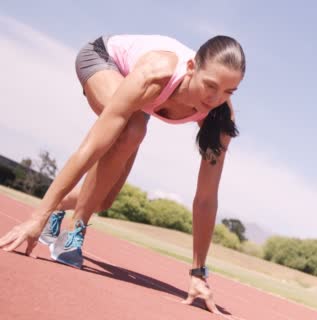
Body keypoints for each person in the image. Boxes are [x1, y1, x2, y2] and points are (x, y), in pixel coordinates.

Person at [0, 34, 245, 317]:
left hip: (139, 100)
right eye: (210, 85)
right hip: (104, 58)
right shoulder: (157, 73)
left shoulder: (220, 119)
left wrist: (198, 272)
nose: (215, 99)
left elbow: (205, 198)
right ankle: (75, 229)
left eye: (229, 92)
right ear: (191, 67)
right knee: (132, 130)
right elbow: (93, 146)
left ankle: (62, 208)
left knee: (102, 201)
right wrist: (35, 217)